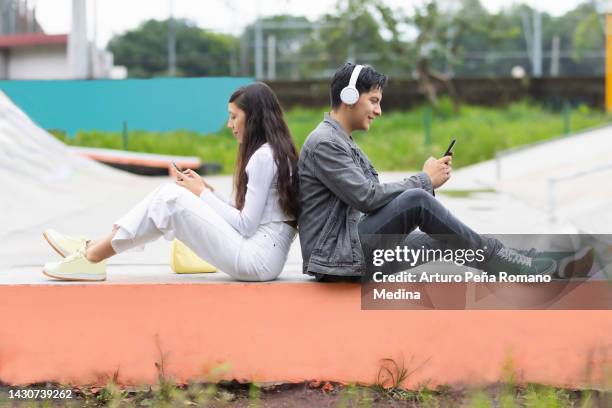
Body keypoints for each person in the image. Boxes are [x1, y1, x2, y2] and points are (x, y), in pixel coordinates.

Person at [297, 62, 589, 281]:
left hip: (347, 251)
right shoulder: (324, 143)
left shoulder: (341, 141)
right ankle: (512, 264)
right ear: (348, 96)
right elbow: (367, 197)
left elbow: (370, 201)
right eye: (373, 101)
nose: (378, 111)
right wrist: (423, 181)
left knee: (442, 239)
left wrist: (424, 181)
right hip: (336, 259)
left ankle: (522, 263)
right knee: (417, 201)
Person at [42, 82, 299, 282]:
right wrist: (208, 191)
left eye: (234, 116)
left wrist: (201, 195)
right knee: (167, 199)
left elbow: (245, 225)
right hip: (262, 255)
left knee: (169, 198)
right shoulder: (272, 152)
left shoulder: (264, 157)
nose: (229, 124)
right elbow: (247, 216)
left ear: (252, 117)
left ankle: (92, 257)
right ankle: (91, 248)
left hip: (257, 259)